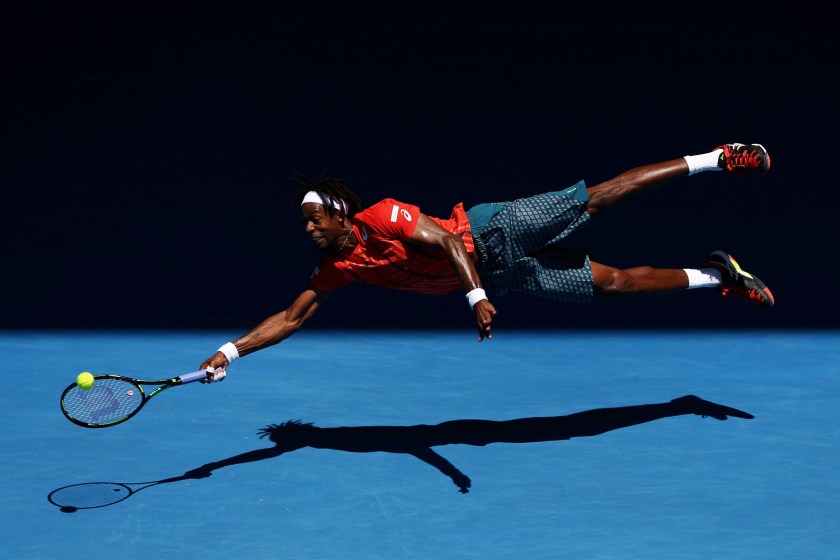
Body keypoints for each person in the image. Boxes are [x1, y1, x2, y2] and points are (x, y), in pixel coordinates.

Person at [200, 143, 773, 381]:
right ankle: (720, 274)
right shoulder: (337, 270)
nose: (307, 230)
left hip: (491, 230)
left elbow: (450, 245)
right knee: (615, 284)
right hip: (501, 274)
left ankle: (718, 157)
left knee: (595, 198)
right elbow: (292, 317)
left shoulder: (379, 215)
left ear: (339, 216)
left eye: (312, 221)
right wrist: (230, 352)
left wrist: (474, 298)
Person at [182, 395, 754, 493]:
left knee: (576, 427)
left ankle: (679, 405)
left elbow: (412, 446)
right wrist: (214, 465)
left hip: (466, 437)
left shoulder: (335, 441)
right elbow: (266, 451)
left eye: (288, 439)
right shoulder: (325, 441)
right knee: (572, 425)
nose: (287, 442)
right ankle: (676, 407)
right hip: (464, 435)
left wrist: (450, 473)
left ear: (296, 438)